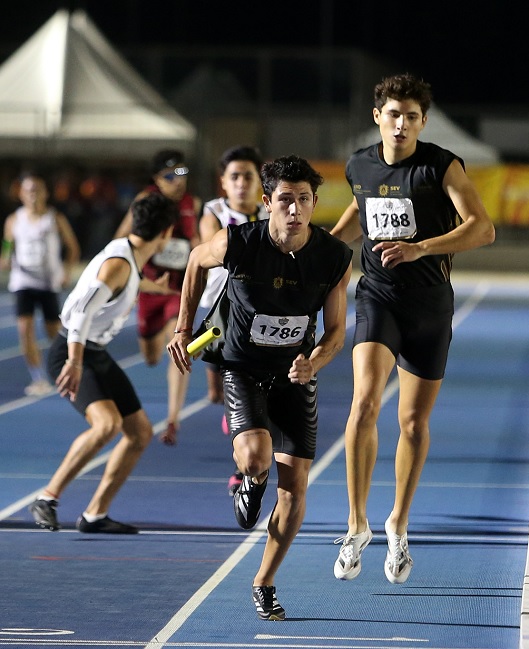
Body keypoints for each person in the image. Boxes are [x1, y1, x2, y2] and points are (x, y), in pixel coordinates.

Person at [167, 155, 352, 620]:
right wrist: (182, 328)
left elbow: (335, 332)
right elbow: (193, 261)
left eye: (304, 200)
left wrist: (315, 362)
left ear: (314, 204)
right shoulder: (239, 242)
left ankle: (264, 581)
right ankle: (251, 479)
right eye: (285, 200)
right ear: (267, 202)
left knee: (295, 491)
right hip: (244, 367)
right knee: (256, 456)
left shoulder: (332, 257)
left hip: (296, 375)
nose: (295, 210)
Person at [330, 73, 495, 584]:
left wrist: (421, 247)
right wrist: (326, 252)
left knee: (411, 424)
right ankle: (356, 525)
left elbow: (483, 228)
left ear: (423, 122)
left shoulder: (441, 166)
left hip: (429, 306)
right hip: (378, 299)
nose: (401, 124)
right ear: (377, 116)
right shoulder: (359, 163)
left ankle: (398, 521)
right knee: (363, 404)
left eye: (412, 117)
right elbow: (362, 209)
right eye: (393, 114)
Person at [28, 193, 179, 534]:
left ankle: (95, 514)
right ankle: (47, 498)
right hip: (72, 351)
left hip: (94, 352)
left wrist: (155, 286)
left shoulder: (129, 256)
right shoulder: (119, 263)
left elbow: (122, 284)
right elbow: (81, 311)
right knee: (106, 425)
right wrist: (76, 362)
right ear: (167, 232)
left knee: (139, 433)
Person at [114, 150, 201, 445]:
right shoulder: (145, 201)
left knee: (179, 343)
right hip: (150, 287)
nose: (178, 181)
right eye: (170, 176)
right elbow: (121, 239)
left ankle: (173, 417)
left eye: (182, 172)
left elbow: (197, 241)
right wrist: (130, 282)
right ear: (156, 180)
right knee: (151, 356)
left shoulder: (193, 204)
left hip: (177, 289)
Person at [198, 145, 270, 495]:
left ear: (259, 182)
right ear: (223, 183)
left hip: (256, 314)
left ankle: (242, 470)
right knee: (218, 395)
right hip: (219, 314)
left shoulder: (268, 214)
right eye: (235, 176)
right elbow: (210, 252)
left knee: (246, 392)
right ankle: (240, 423)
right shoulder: (213, 212)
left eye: (248, 176)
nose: (242, 183)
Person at [1, 172, 80, 396]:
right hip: (22, 281)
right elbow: (7, 243)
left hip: (48, 283)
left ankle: (66, 370)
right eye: (28, 190)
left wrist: (66, 272)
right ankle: (37, 378)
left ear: (45, 193)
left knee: (53, 333)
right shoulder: (14, 219)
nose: (32, 194)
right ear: (21, 194)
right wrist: (5, 258)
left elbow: (73, 248)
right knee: (24, 330)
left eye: (37, 189)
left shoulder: (55, 218)